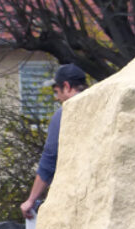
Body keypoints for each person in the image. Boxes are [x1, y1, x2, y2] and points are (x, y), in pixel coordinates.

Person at [20, 63, 88, 219]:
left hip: (76, 197)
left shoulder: (64, 114)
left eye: (57, 92)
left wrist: (31, 200)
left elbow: (49, 160)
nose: (57, 98)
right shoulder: (103, 104)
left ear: (67, 86)